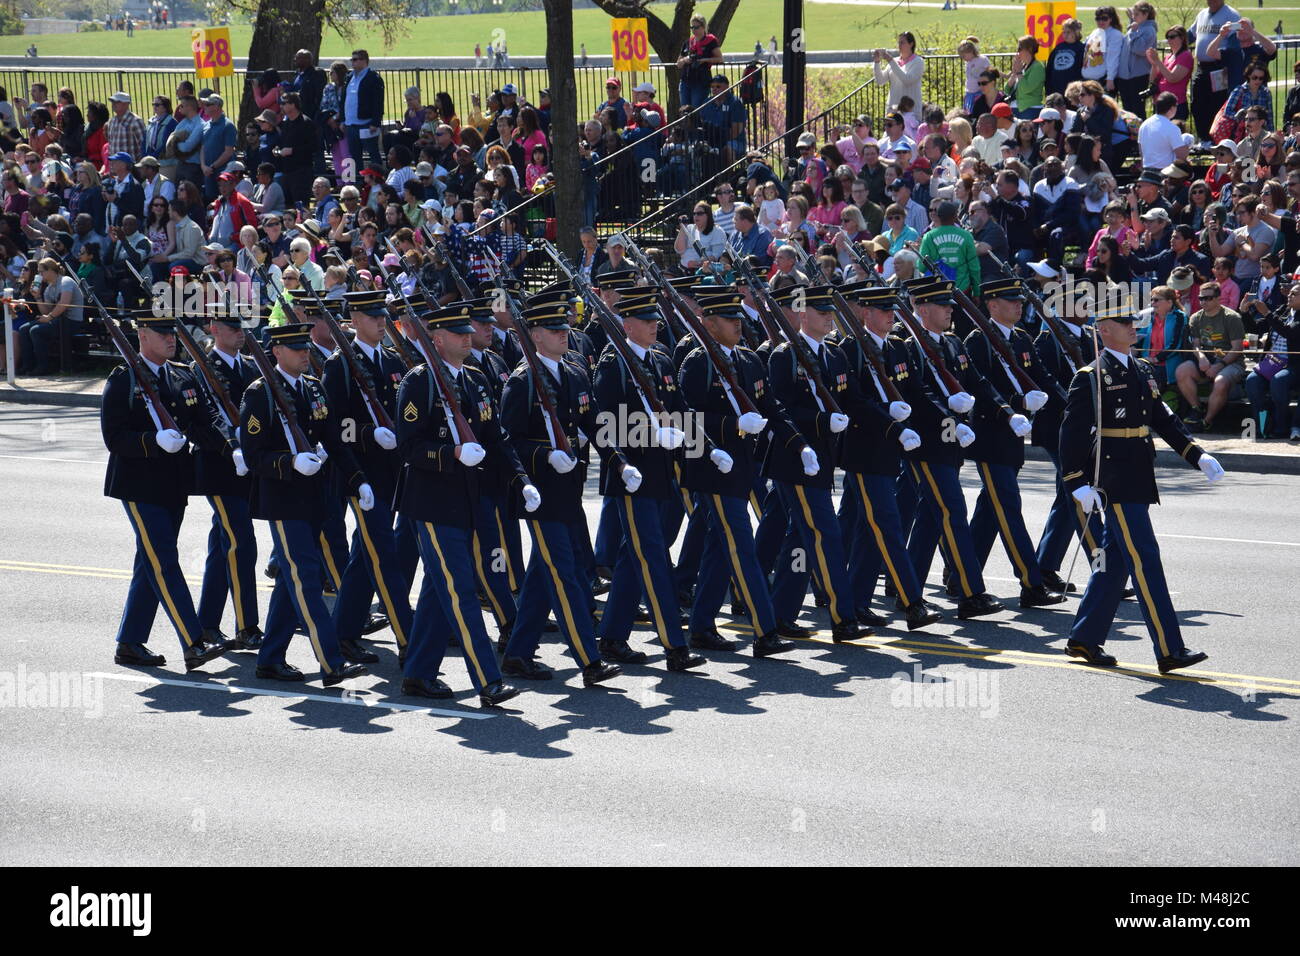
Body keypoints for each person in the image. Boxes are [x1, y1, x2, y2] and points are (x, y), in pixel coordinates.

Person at [1060, 299, 1222, 674]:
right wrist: (1076, 483)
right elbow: (1069, 435)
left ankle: (1084, 638)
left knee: (1114, 562)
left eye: (1133, 320)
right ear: (1103, 330)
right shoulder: (1090, 377)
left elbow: (1163, 419)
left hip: (1138, 475)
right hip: (1111, 480)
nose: (1133, 327)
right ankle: (1170, 648)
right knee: (1146, 559)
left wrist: (1196, 454)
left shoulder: (1144, 368)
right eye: (1123, 321)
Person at [237, 322, 372, 686]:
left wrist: (358, 479)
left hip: (316, 498)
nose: (304, 353)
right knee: (306, 576)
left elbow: (335, 441)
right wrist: (289, 461)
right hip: (282, 500)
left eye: (305, 347)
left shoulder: (313, 388)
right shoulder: (261, 393)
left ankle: (270, 658)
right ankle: (332, 661)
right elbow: (252, 455)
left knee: (291, 579)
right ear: (277, 352)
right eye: (296, 348)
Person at [497, 302, 623, 687]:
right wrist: (545, 454)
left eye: (563, 327)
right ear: (534, 336)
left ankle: (518, 654)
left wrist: (618, 461)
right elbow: (508, 442)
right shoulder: (521, 381)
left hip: (569, 492)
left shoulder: (574, 372)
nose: (563, 333)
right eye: (552, 330)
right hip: (541, 495)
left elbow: (594, 422)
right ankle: (589, 658)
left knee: (541, 575)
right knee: (566, 574)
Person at [100, 311, 231, 672]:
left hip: (174, 482)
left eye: (171, 332)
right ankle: (193, 641)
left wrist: (234, 449)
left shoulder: (183, 375)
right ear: (142, 336)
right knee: (164, 560)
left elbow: (205, 424)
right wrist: (152, 440)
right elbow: (114, 437)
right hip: (139, 484)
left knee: (151, 562)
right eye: (161, 333)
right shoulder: (124, 379)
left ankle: (129, 643)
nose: (171, 339)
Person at [590, 289, 706, 672]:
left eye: (655, 319)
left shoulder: (659, 359)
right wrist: (649, 436)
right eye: (646, 320)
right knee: (653, 556)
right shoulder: (613, 363)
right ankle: (675, 645)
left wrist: (699, 440)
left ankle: (611, 636)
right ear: (627, 325)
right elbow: (604, 424)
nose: (655, 325)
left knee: (631, 557)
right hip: (632, 477)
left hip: (660, 475)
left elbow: (678, 407)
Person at [763, 285, 865, 642]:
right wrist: (822, 423)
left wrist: (894, 420)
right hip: (796, 460)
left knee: (801, 540)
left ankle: (779, 613)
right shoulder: (785, 355)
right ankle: (843, 617)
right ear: (803, 315)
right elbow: (781, 409)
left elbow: (854, 398)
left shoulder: (834, 356)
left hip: (823, 461)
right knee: (826, 534)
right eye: (821, 312)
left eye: (830, 312)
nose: (828, 317)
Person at [899, 277, 1005, 619]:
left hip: (952, 445)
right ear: (922, 308)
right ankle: (970, 592)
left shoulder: (953, 343)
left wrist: (1007, 410)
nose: (949, 311)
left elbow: (977, 380)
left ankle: (908, 588)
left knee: (931, 517)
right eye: (943, 306)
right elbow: (917, 394)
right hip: (928, 445)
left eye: (949, 305)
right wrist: (952, 417)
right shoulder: (909, 346)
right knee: (953, 512)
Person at [961, 277, 1067, 608]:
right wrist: (1018, 403)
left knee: (989, 510)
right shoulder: (977, 341)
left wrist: (1069, 403)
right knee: (1008, 506)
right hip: (991, 437)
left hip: (1013, 440)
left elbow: (1041, 376)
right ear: (992, 306)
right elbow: (980, 389)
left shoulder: (1021, 338)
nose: (1019, 305)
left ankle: (962, 575)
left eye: (1019, 300)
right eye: (1011, 301)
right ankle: (1031, 583)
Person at [189, 307, 263, 653]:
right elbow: (200, 422)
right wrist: (229, 447)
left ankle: (206, 624)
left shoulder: (250, 367)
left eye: (242, 328)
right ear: (214, 329)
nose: (240, 333)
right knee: (242, 544)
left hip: (248, 469)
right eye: (232, 328)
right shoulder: (200, 369)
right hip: (219, 470)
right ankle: (247, 625)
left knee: (222, 547)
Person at [1176, 280, 1246, 430]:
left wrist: (1219, 365)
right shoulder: (1195, 317)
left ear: (1218, 298)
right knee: (1182, 370)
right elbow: (1195, 344)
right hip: (1207, 359)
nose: (1203, 302)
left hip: (1231, 362)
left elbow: (1237, 348)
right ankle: (1196, 408)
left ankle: (1206, 421)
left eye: (1208, 298)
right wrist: (1201, 358)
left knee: (1220, 382)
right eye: (1201, 298)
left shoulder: (1231, 317)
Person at [1244, 282, 1300, 439]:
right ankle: (1263, 426)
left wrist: (1267, 313)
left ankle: (1280, 427)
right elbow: (1256, 328)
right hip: (1272, 362)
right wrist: (1245, 312)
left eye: (1294, 294)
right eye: (1290, 293)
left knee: (1279, 381)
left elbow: (1289, 332)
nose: (1289, 295)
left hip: (1293, 364)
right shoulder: (1283, 310)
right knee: (1252, 381)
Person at [1189, 0, 1243, 143]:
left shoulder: (1231, 15)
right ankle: (1203, 139)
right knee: (1197, 104)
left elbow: (1235, 42)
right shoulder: (1202, 14)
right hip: (1201, 67)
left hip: (1219, 67)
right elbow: (1190, 34)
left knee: (1216, 104)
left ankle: (1216, 139)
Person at [343, 49, 385, 174]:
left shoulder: (373, 78)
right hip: (351, 125)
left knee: (373, 154)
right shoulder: (349, 77)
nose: (352, 62)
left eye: (355, 59)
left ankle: (378, 181)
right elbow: (344, 99)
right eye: (352, 59)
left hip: (366, 124)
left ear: (364, 61)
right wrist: (343, 120)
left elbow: (378, 102)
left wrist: (375, 122)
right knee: (353, 157)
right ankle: (356, 184)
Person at [873, 32, 924, 126]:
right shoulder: (895, 61)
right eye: (899, 43)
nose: (899, 45)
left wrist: (891, 61)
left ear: (911, 44)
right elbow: (880, 81)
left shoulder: (918, 62)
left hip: (910, 113)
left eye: (902, 42)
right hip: (893, 110)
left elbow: (907, 80)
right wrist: (877, 62)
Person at [1147, 25, 1194, 120]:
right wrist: (1154, 64)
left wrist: (1158, 61)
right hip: (1161, 103)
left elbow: (1172, 78)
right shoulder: (1168, 57)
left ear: (1182, 38)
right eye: (1167, 37)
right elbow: (1153, 80)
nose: (1169, 40)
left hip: (1175, 105)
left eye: (1172, 37)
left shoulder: (1186, 56)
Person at [676, 15, 723, 109]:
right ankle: (686, 124)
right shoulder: (688, 42)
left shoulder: (711, 41)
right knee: (684, 110)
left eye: (696, 27)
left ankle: (696, 124)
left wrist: (704, 60)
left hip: (701, 82)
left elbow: (720, 59)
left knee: (696, 110)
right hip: (685, 81)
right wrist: (685, 60)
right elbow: (678, 64)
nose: (694, 30)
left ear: (703, 27)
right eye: (692, 27)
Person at [1138, 92, 1190, 170]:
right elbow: (1181, 156)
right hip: (1165, 172)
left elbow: (1141, 150)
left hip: (1146, 170)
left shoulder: (1144, 125)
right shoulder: (1172, 128)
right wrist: (1188, 145)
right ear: (1172, 108)